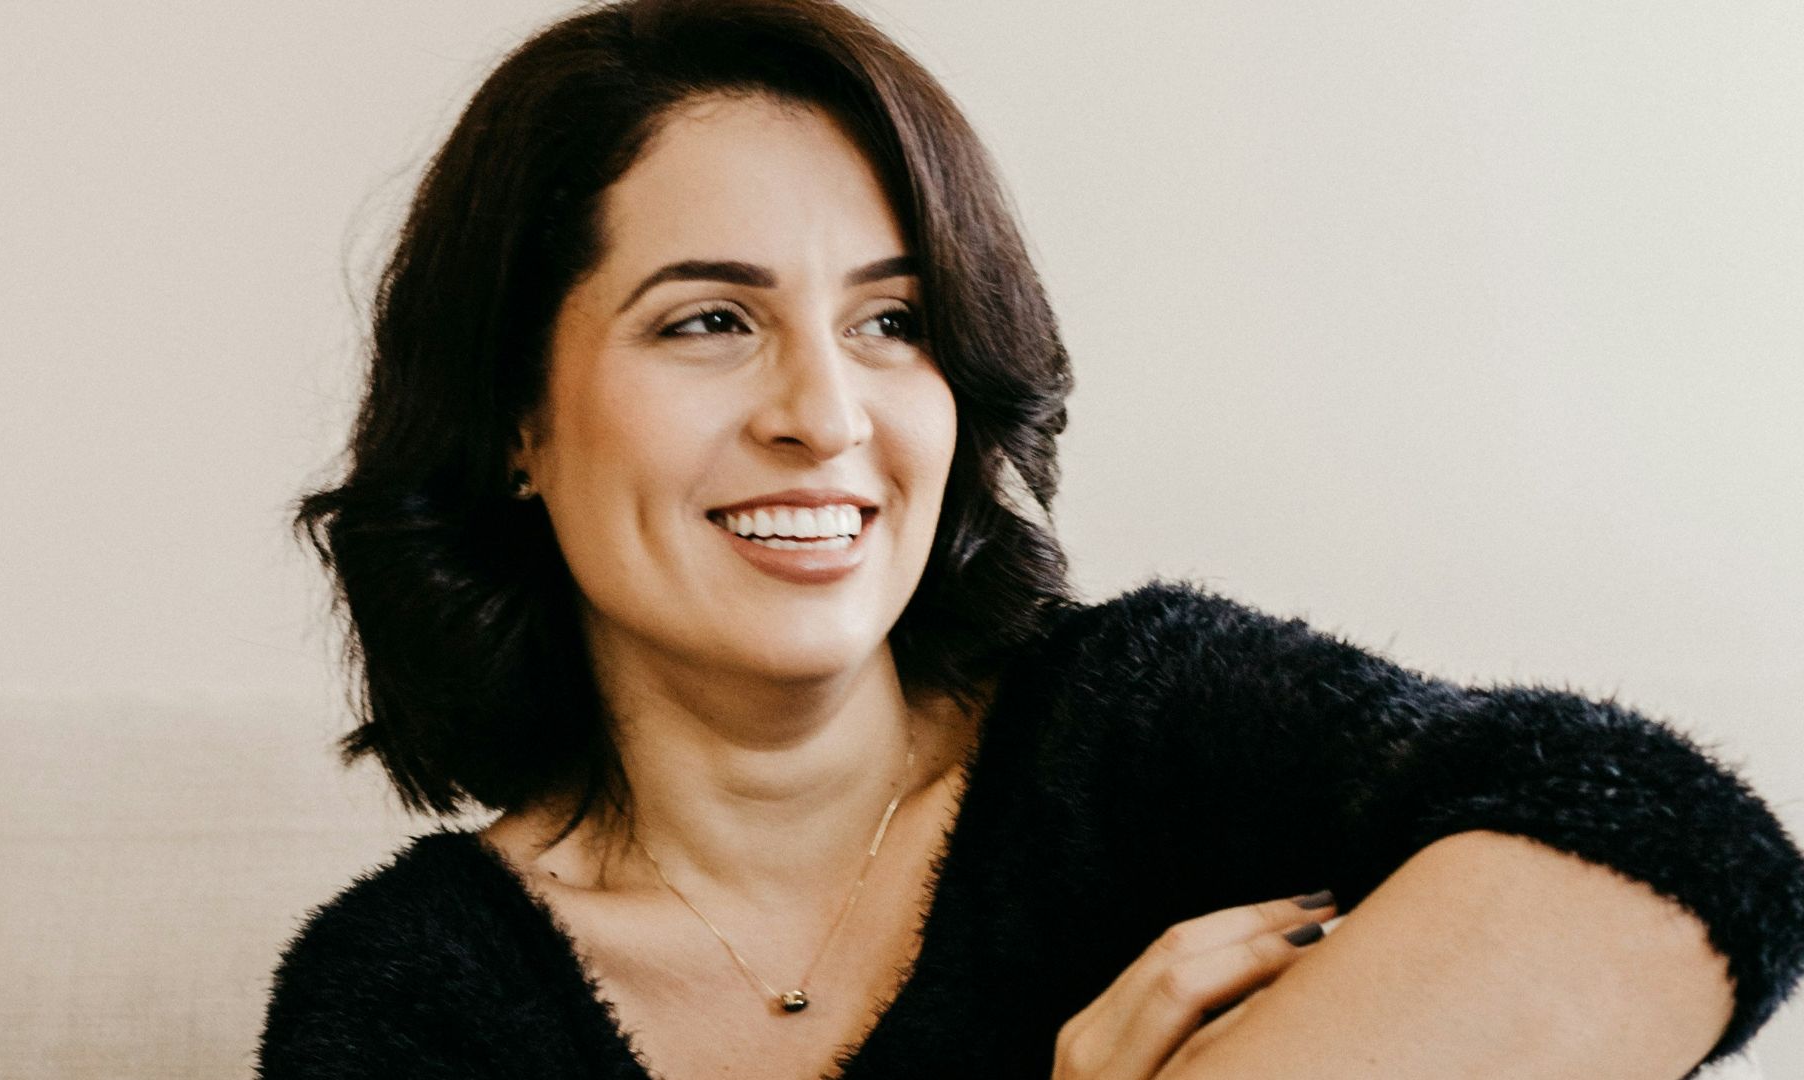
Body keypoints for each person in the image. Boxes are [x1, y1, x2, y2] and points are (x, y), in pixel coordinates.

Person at [257, 1, 1804, 1076]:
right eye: (711, 320)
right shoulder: (413, 1000)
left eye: (894, 322)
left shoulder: (1144, 726)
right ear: (515, 419)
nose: (826, 411)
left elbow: (1674, 853)